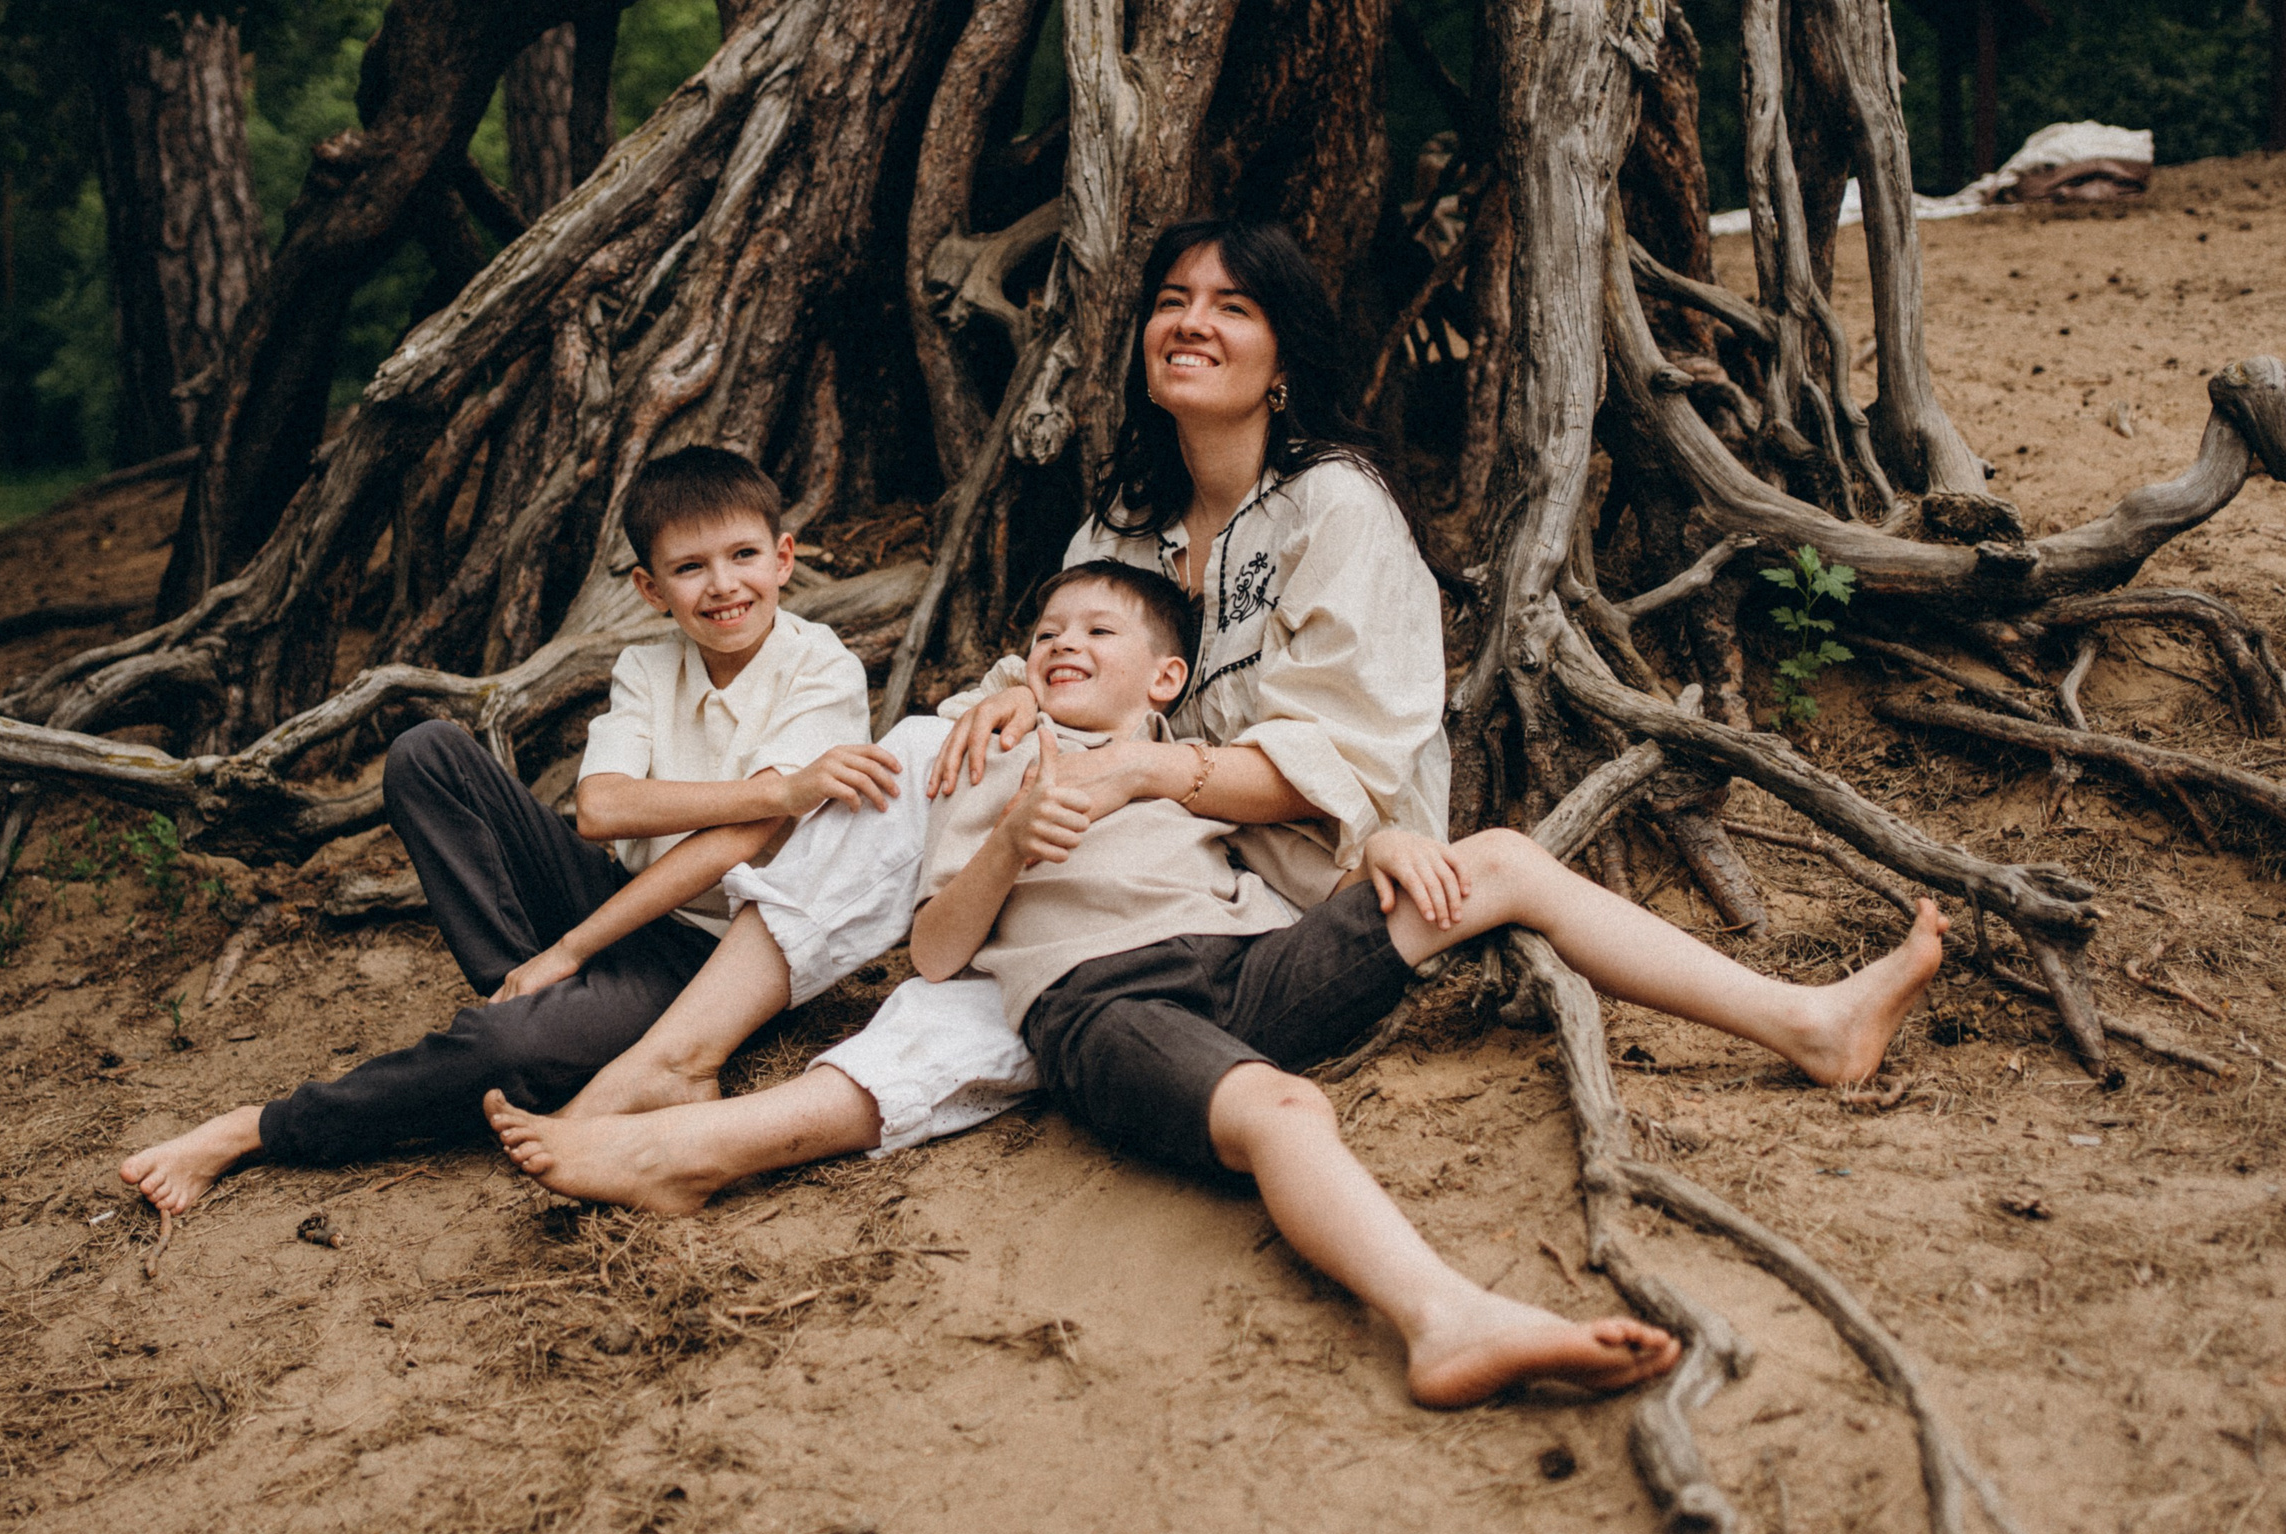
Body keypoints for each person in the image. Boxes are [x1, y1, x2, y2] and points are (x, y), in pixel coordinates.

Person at [502, 564, 1946, 1403]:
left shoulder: (1199, 769)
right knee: (1279, 1116)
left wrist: (1391, 850)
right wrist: (1007, 836)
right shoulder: (986, 762)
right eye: (1047, 633)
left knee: (1495, 855)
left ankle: (1804, 1019)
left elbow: (1316, 844)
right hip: (1097, 1003)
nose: (1064, 647)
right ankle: (1442, 1315)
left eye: (1099, 635)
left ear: (1168, 677)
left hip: (1253, 961)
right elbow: (941, 954)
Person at [480, 217, 1464, 1212]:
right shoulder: (1133, 517)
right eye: (1170, 301)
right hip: (1143, 842)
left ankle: (707, 1125)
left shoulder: (1333, 503)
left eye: (1231, 306)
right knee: (926, 770)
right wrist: (1009, 694)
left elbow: (1339, 760)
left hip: (1292, 877)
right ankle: (684, 1074)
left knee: (1030, 941)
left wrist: (1134, 770)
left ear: (1283, 353)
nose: (1189, 323)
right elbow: (1067, 659)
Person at [119, 447, 903, 1213]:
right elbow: (600, 811)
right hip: (623, 901)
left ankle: (256, 1130)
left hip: (720, 957)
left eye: (744, 555)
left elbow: (734, 844)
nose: (724, 584)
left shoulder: (819, 666)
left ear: (784, 558)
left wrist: (575, 947)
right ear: (650, 587)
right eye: (690, 567)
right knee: (428, 755)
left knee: (505, 1052)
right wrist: (773, 790)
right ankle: (535, 1002)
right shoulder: (646, 667)